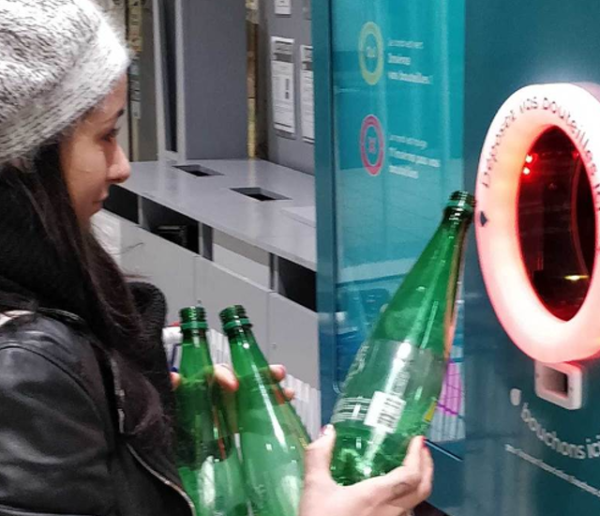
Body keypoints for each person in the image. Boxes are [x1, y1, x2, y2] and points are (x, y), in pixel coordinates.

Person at [0, 1, 433, 515]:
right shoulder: (23, 372)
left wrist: (151, 426)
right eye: (106, 136)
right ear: (24, 161)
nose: (121, 169)